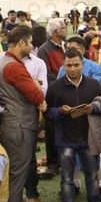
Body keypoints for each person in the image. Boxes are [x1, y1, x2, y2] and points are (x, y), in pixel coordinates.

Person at [0, 27, 53, 202]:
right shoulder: (13, 66)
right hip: (19, 126)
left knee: (15, 177)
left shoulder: (6, 62)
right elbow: (37, 94)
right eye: (29, 43)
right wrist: (37, 88)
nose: (32, 47)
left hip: (15, 124)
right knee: (16, 179)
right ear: (21, 43)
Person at [46, 49, 101, 202]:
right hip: (65, 139)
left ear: (83, 64)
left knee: (92, 175)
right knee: (67, 179)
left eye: (76, 65)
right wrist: (59, 111)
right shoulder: (55, 87)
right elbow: (47, 112)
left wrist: (93, 108)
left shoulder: (94, 85)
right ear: (63, 65)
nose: (72, 68)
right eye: (69, 65)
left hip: (88, 138)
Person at [38, 18, 67, 178]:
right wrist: (63, 81)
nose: (65, 30)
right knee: (51, 130)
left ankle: (64, 161)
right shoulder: (45, 49)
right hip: (53, 94)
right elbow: (46, 74)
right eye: (63, 28)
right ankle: (53, 164)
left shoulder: (65, 45)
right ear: (56, 31)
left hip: (67, 91)